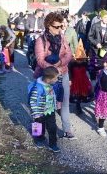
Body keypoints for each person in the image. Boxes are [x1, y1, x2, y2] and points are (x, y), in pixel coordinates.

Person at [33, 12, 77, 140]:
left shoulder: (62, 38)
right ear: (49, 26)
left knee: (64, 102)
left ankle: (67, 130)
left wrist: (60, 63)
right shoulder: (40, 40)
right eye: (57, 26)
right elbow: (40, 60)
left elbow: (69, 54)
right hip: (46, 77)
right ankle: (38, 133)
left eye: (61, 26)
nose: (60, 29)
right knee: (40, 105)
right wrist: (53, 69)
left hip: (62, 74)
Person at [29, 66, 61, 152]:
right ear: (48, 80)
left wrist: (55, 106)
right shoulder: (37, 88)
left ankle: (53, 144)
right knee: (38, 125)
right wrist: (36, 114)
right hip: (39, 111)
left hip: (50, 111)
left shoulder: (51, 84)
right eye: (56, 78)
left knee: (52, 127)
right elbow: (33, 101)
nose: (57, 79)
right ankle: (39, 139)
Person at [69, 40, 94, 115]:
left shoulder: (84, 64)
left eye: (81, 60)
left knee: (82, 93)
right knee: (77, 93)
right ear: (75, 58)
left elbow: (89, 70)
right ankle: (78, 106)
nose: (79, 61)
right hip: (75, 81)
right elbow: (70, 72)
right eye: (78, 59)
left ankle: (81, 102)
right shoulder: (72, 65)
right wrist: (70, 80)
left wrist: (91, 76)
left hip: (83, 81)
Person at [88, 10, 107, 80]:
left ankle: (101, 83)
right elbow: (89, 36)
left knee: (102, 67)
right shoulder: (95, 26)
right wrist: (96, 43)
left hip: (104, 51)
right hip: (95, 51)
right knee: (93, 67)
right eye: (105, 17)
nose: (106, 19)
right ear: (101, 18)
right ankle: (92, 81)